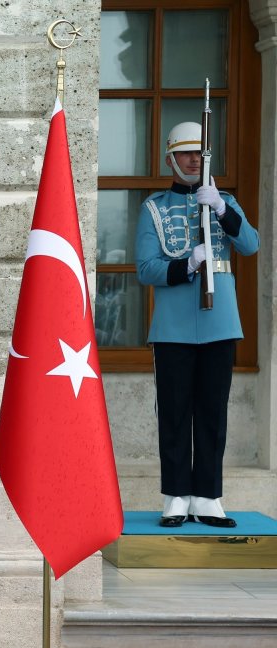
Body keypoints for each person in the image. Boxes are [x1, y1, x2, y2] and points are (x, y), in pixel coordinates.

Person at [135, 121, 259, 528]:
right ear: (171, 158)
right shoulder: (154, 207)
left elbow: (251, 245)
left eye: (198, 154)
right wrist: (186, 264)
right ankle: (175, 495)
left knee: (211, 412)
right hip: (172, 326)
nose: (192, 160)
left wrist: (223, 211)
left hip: (219, 322)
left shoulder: (224, 201)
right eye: (185, 153)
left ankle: (207, 496)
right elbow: (146, 268)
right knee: (173, 412)